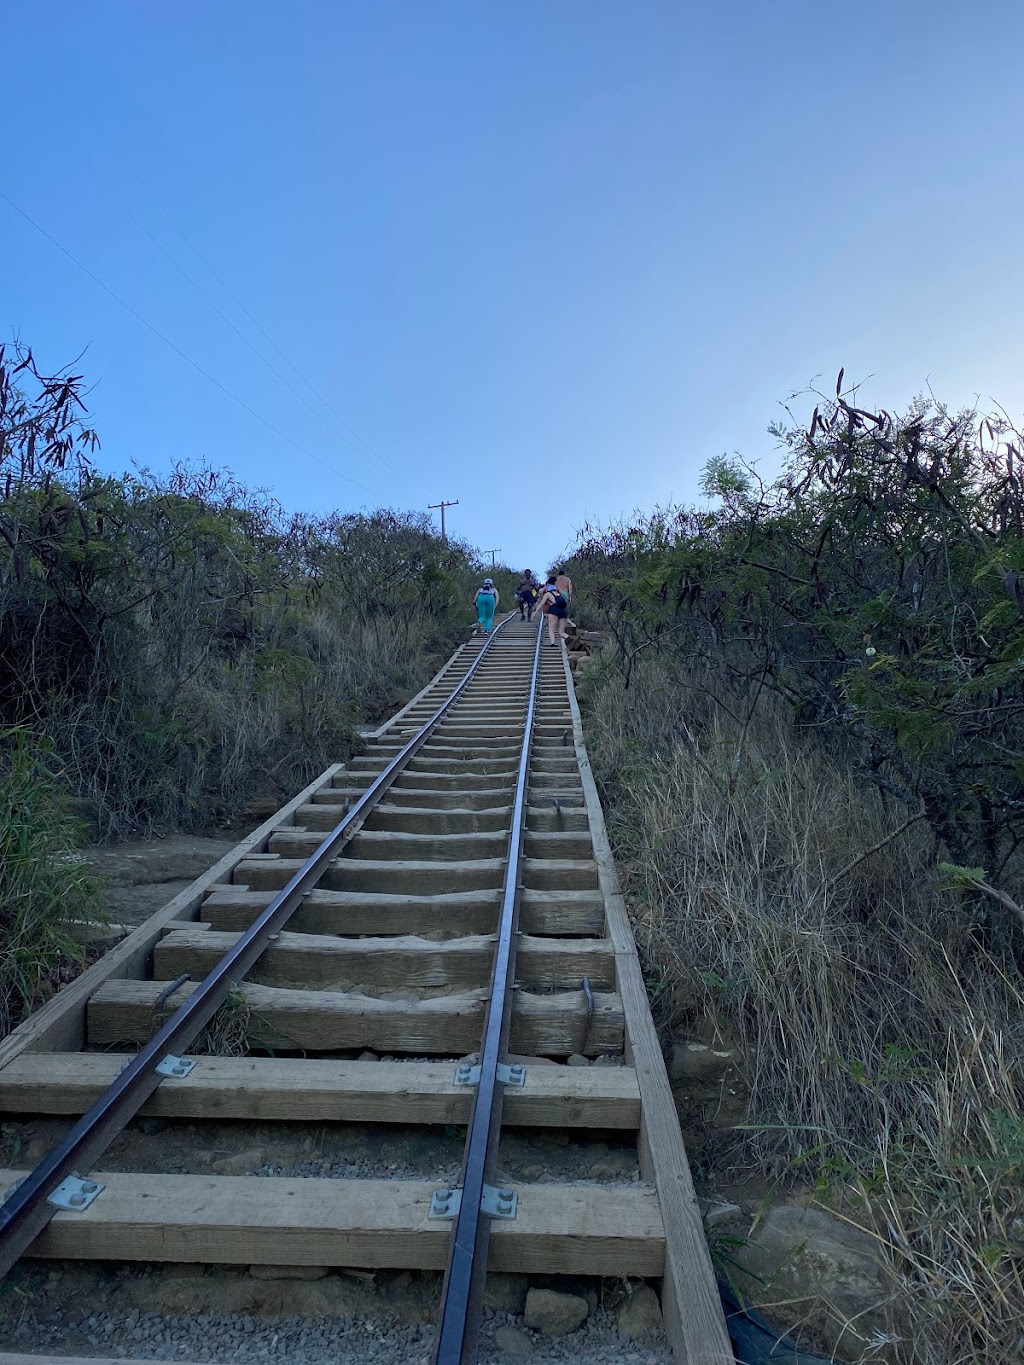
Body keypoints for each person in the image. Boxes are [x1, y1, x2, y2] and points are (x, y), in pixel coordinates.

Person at [537, 575, 569, 647]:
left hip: (554, 610)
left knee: (551, 628)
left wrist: (535, 612)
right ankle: (573, 640)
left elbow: (542, 603)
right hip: (563, 611)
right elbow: (566, 598)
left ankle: (552, 643)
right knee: (561, 633)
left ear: (548, 584)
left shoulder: (548, 593)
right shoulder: (559, 590)